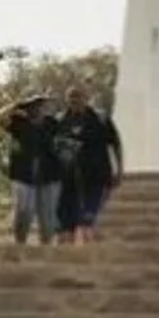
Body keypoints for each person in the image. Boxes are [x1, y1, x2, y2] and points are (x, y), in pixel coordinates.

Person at [50, 85, 123, 244]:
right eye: (71, 97)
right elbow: (54, 149)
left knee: (87, 218)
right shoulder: (60, 121)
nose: (75, 100)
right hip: (69, 179)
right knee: (66, 222)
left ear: (86, 98)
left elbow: (115, 145)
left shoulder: (100, 119)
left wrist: (119, 171)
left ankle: (88, 251)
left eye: (78, 96)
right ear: (67, 99)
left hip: (97, 175)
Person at [0, 94, 58, 244]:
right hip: (23, 173)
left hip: (48, 174)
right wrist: (16, 104)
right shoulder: (19, 123)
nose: (37, 108)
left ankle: (46, 248)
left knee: (47, 218)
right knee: (25, 210)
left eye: (40, 105)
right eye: (33, 105)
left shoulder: (51, 123)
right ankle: (20, 242)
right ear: (27, 107)